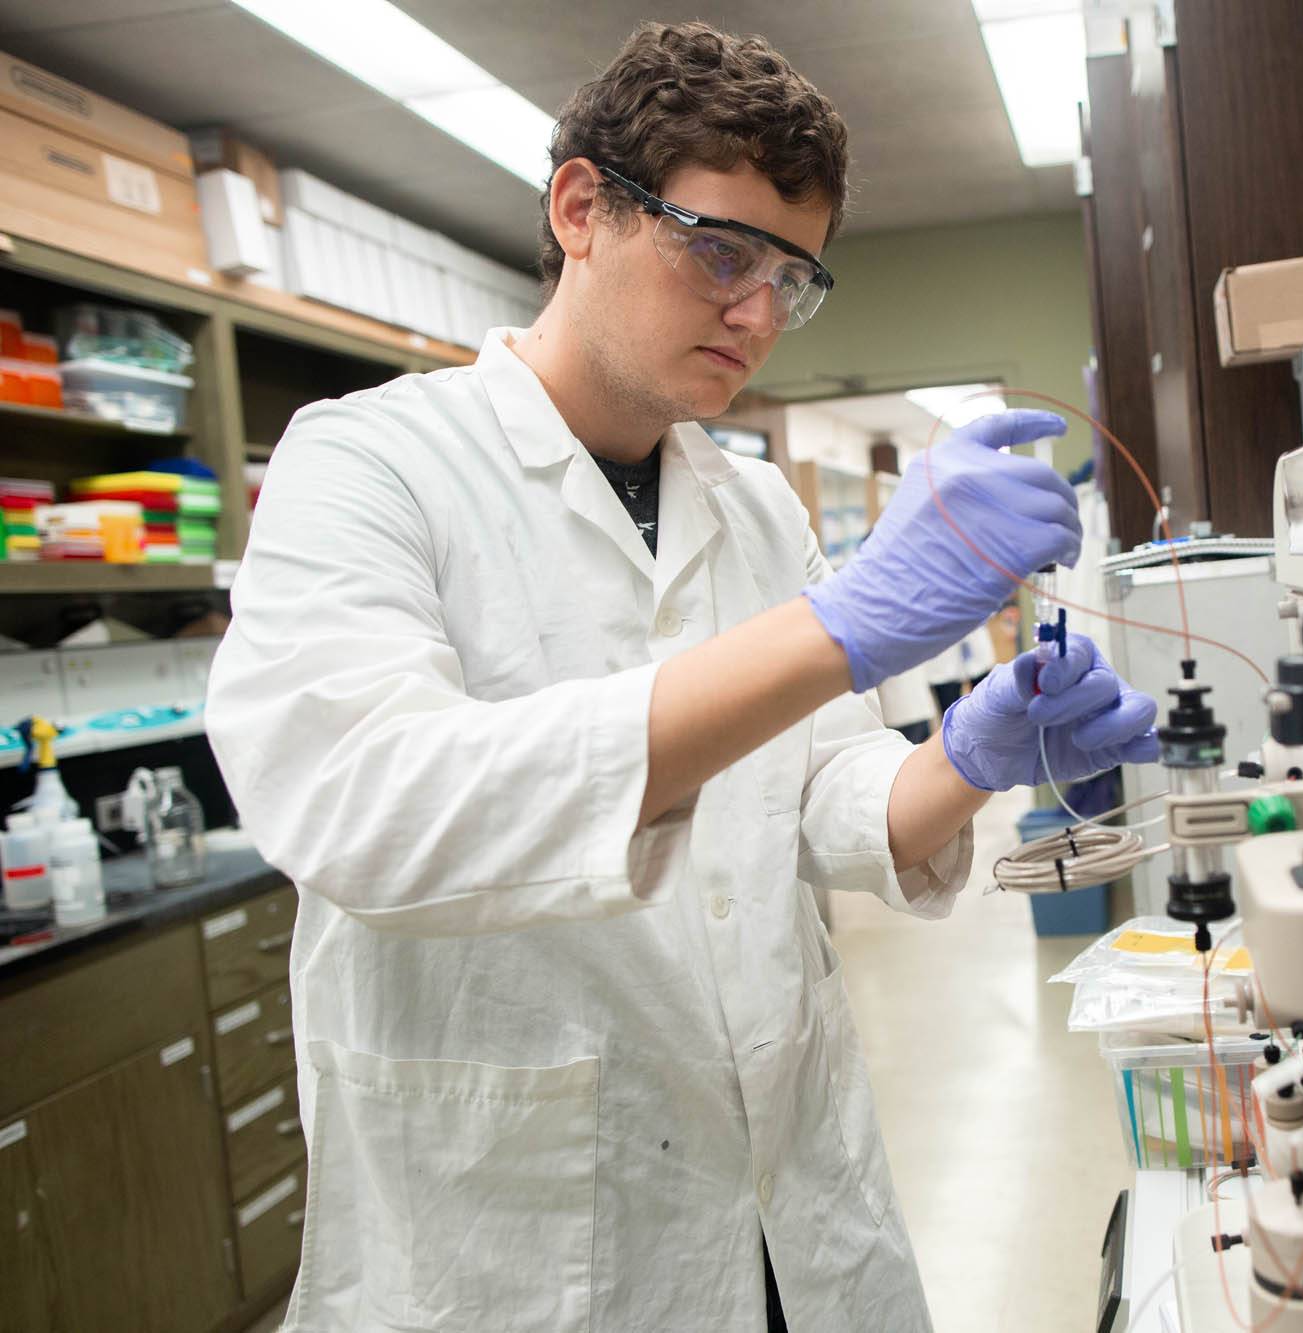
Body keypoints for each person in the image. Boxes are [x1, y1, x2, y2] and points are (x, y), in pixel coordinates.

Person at [204, 21, 1158, 1333]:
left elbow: (816, 797)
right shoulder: (368, 466)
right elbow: (368, 808)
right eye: (722, 252)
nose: (760, 312)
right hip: (522, 1239)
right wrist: (839, 627)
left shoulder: (755, 507)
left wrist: (968, 759)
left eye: (796, 278)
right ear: (582, 207)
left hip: (792, 1217)